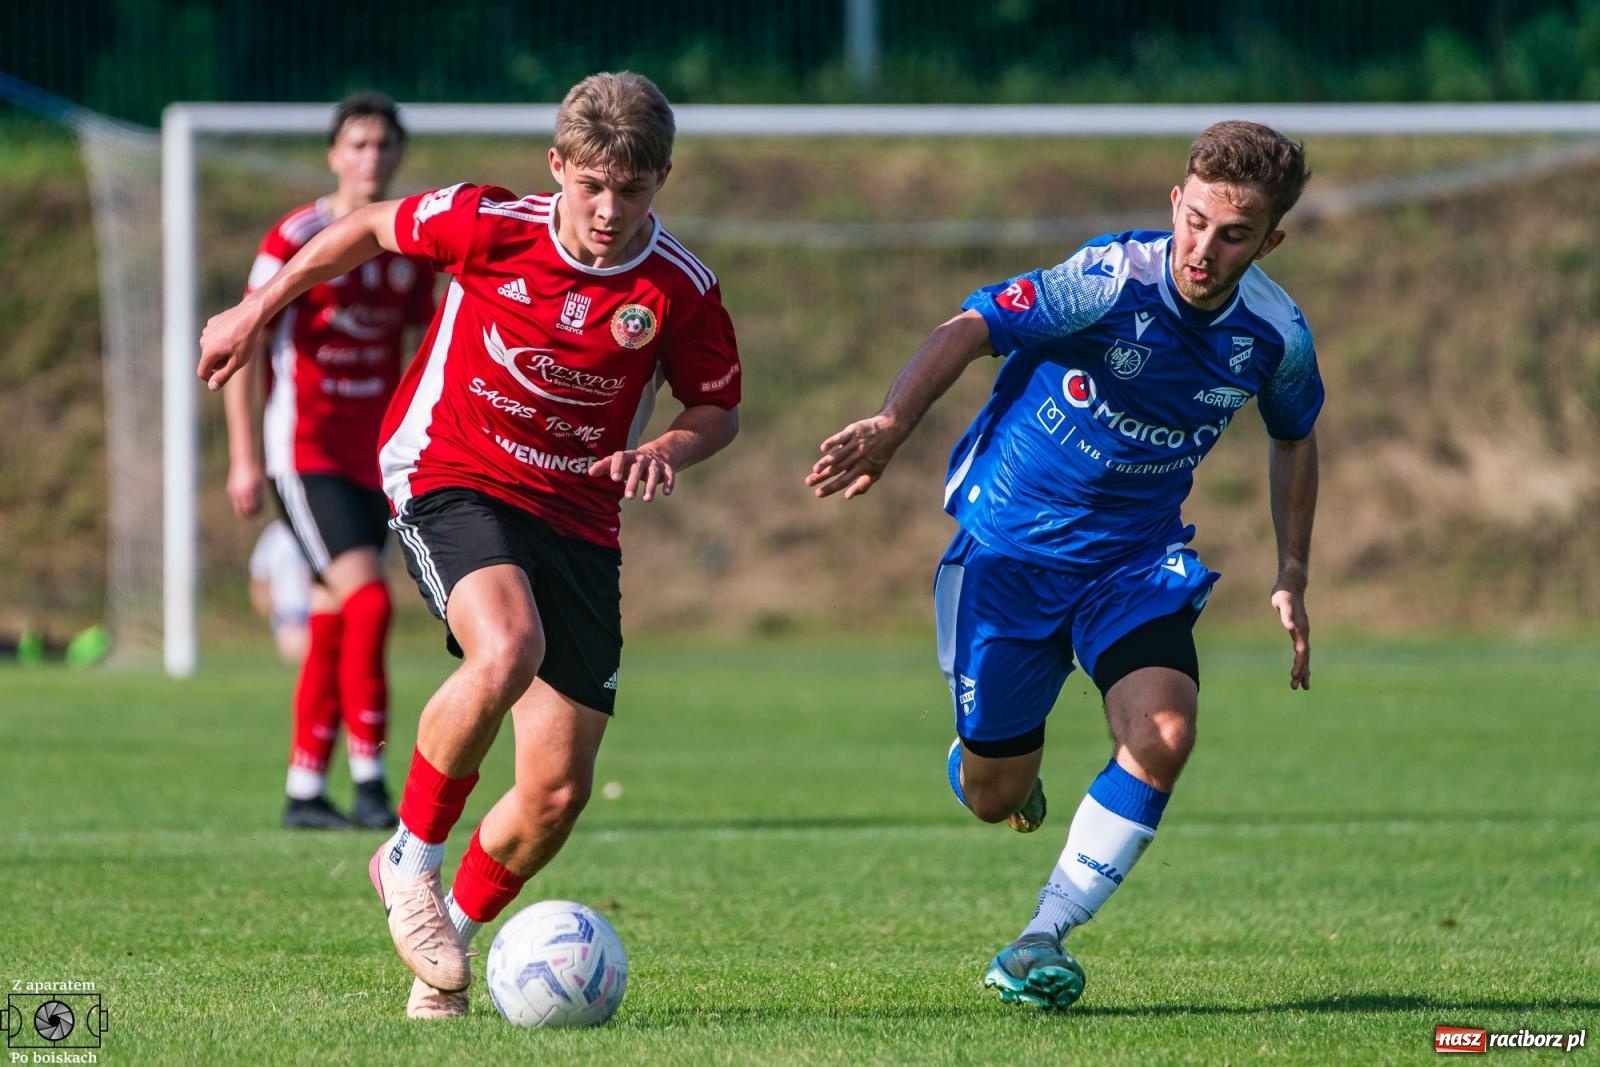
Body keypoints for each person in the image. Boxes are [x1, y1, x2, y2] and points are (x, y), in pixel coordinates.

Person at [197, 71, 742, 1020]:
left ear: (662, 177)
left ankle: (447, 938)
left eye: (635, 188)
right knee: (505, 645)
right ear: (558, 167)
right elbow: (368, 229)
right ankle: (406, 854)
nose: (610, 210)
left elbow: (719, 407)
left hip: (579, 518)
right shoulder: (489, 223)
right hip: (453, 468)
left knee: (557, 791)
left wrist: (668, 445)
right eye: (592, 186)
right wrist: (260, 308)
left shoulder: (677, 288)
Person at [808, 121, 1320, 1010]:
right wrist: (892, 424)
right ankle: (989, 763)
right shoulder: (1106, 281)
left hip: (1135, 561)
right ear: (1176, 201)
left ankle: (1040, 934)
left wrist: (1294, 571)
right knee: (991, 790)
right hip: (1009, 552)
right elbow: (970, 325)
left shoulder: (1275, 335)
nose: (1205, 247)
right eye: (1196, 220)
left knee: (1164, 731)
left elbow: (1295, 434)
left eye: (1234, 233)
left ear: (1269, 239)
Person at [223, 91, 437, 832]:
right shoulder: (296, 236)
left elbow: (421, 349)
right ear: (333, 154)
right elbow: (242, 343)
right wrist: (246, 456)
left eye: (383, 145)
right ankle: (374, 782)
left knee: (332, 620)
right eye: (357, 144)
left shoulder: (406, 245)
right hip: (304, 451)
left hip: (375, 457)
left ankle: (306, 790)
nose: (370, 157)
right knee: (370, 601)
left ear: (397, 155)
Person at [248, 519, 313, 664]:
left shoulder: (316, 526)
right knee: (299, 655)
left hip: (318, 609)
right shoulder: (273, 535)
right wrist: (270, 611)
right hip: (288, 614)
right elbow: (260, 577)